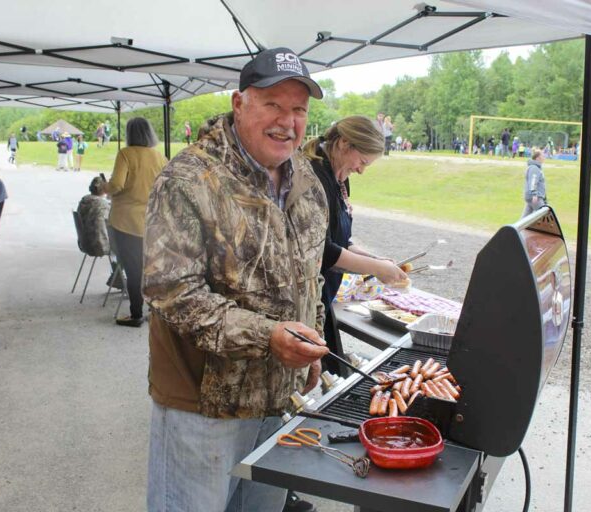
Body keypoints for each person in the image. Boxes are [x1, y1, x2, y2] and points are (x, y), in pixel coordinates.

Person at [142, 47, 329, 512]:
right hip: (203, 408)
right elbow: (174, 292)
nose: (287, 121)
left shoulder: (305, 178)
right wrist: (269, 337)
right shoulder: (187, 180)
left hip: (280, 401)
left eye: (299, 109)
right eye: (273, 105)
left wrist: (311, 346)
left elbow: (311, 277)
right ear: (238, 103)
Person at [303, 116, 407, 374]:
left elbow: (340, 237)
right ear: (344, 143)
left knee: (331, 368)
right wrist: (375, 267)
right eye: (362, 162)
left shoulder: (339, 175)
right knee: (315, 371)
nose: (361, 170)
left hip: (324, 292)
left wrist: (375, 260)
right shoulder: (312, 176)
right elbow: (322, 250)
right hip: (305, 297)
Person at [103, 117, 168, 327]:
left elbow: (117, 185)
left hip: (126, 222)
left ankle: (135, 314)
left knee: (133, 270)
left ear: (130, 133)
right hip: (152, 223)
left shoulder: (126, 154)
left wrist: (104, 187)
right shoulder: (160, 157)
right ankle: (155, 312)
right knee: (151, 269)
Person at [77, 176, 110, 257]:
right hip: (99, 246)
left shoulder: (83, 202)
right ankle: (118, 270)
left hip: (85, 244)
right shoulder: (102, 205)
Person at [522, 149, 546, 218]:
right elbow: (533, 181)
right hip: (535, 197)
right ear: (538, 158)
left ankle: (517, 229)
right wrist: (534, 194)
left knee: (524, 220)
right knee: (543, 215)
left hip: (531, 196)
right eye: (543, 156)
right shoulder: (534, 168)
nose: (544, 158)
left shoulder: (533, 167)